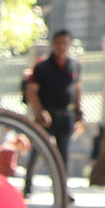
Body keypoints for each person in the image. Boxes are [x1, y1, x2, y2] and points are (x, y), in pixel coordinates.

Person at [22, 30, 82, 158]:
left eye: (65, 43)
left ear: (70, 45)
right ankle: (29, 177)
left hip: (66, 116)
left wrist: (78, 110)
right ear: (53, 44)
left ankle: (61, 178)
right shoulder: (42, 66)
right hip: (46, 115)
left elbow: (77, 88)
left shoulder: (75, 65)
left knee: (62, 154)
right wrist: (40, 111)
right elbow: (31, 91)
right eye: (58, 43)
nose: (62, 47)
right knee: (38, 149)